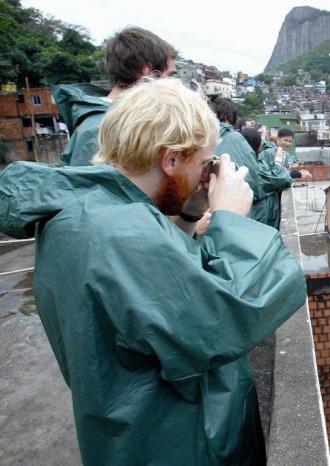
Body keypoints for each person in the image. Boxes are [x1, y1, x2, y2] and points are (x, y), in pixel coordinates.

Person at [0, 78, 307, 465]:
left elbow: (159, 304)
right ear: (171, 160)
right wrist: (232, 220)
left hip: (124, 430)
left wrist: (190, 212)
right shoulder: (122, 235)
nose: (206, 174)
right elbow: (227, 318)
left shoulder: (86, 211)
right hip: (177, 442)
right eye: (204, 163)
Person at [54, 26, 177, 166]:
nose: (175, 86)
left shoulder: (120, 119)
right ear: (147, 71)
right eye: (170, 76)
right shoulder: (100, 127)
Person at [212, 97, 292, 229]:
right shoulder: (234, 139)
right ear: (230, 117)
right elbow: (257, 183)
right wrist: (278, 164)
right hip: (238, 218)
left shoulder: (201, 136)